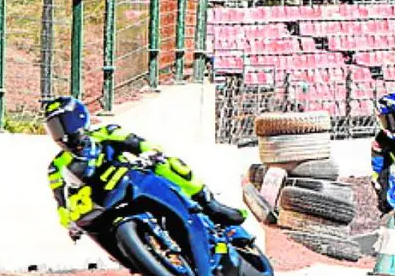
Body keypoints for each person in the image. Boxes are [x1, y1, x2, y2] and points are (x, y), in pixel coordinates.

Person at [44, 96, 245, 241]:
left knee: (170, 163)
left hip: (132, 179)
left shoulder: (106, 133)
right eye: (55, 127)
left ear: (79, 118)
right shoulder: (57, 166)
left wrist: (152, 154)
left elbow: (140, 145)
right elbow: (60, 201)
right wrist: (68, 223)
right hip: (103, 202)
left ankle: (209, 202)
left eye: (65, 123)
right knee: (86, 224)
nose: (63, 133)